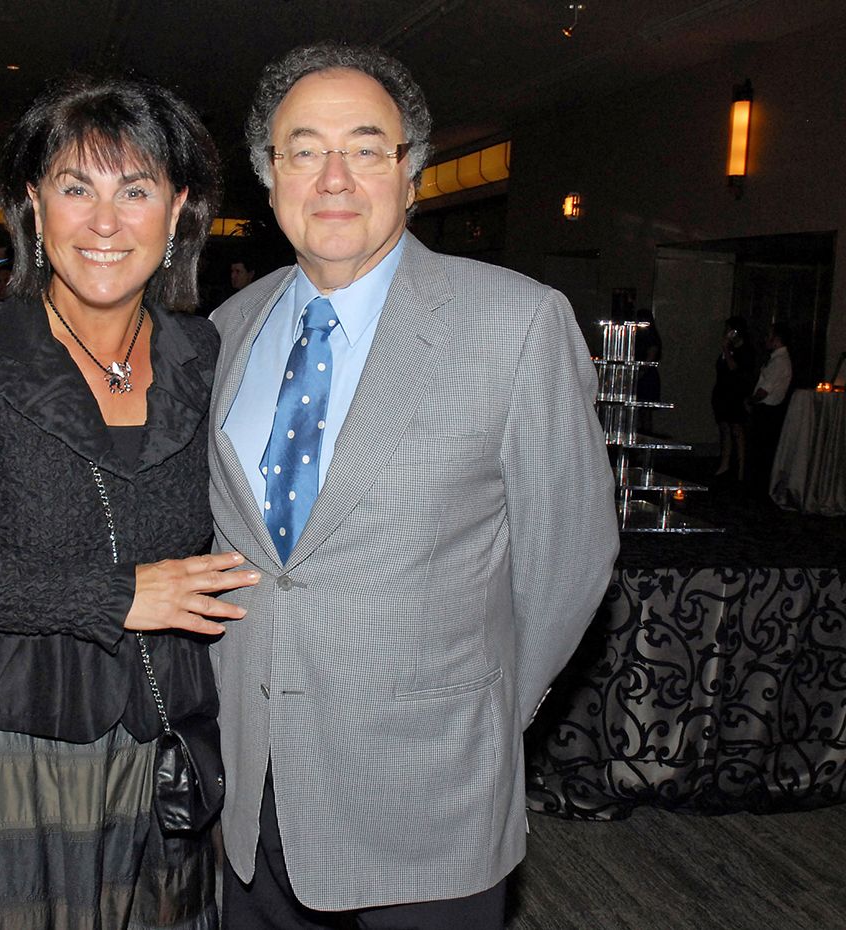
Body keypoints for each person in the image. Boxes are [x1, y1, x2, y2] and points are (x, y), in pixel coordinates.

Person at [208, 44, 619, 929]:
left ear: (412, 172)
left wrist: (485, 714)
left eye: (366, 147)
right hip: (254, 790)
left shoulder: (517, 322)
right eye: (304, 149)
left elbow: (572, 557)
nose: (334, 177)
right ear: (269, 176)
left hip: (429, 793)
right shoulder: (227, 329)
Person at [0, 73, 258, 930]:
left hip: (158, 736)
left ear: (178, 210)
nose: (105, 222)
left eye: (135, 190)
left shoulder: (206, 352)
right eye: (77, 188)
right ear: (35, 206)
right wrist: (116, 596)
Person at [748, 320, 793, 493]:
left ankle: (759, 489)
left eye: (768, 336)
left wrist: (750, 401)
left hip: (768, 412)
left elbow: (764, 391)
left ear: (777, 339)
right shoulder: (776, 359)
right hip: (766, 411)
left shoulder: (779, 362)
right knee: (760, 451)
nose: (765, 339)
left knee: (762, 451)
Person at [711, 315, 757, 482]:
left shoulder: (746, 351)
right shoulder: (730, 349)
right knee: (725, 428)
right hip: (722, 393)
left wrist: (726, 349)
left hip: (736, 394)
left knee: (737, 430)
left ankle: (741, 469)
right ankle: (725, 464)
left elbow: (734, 368)